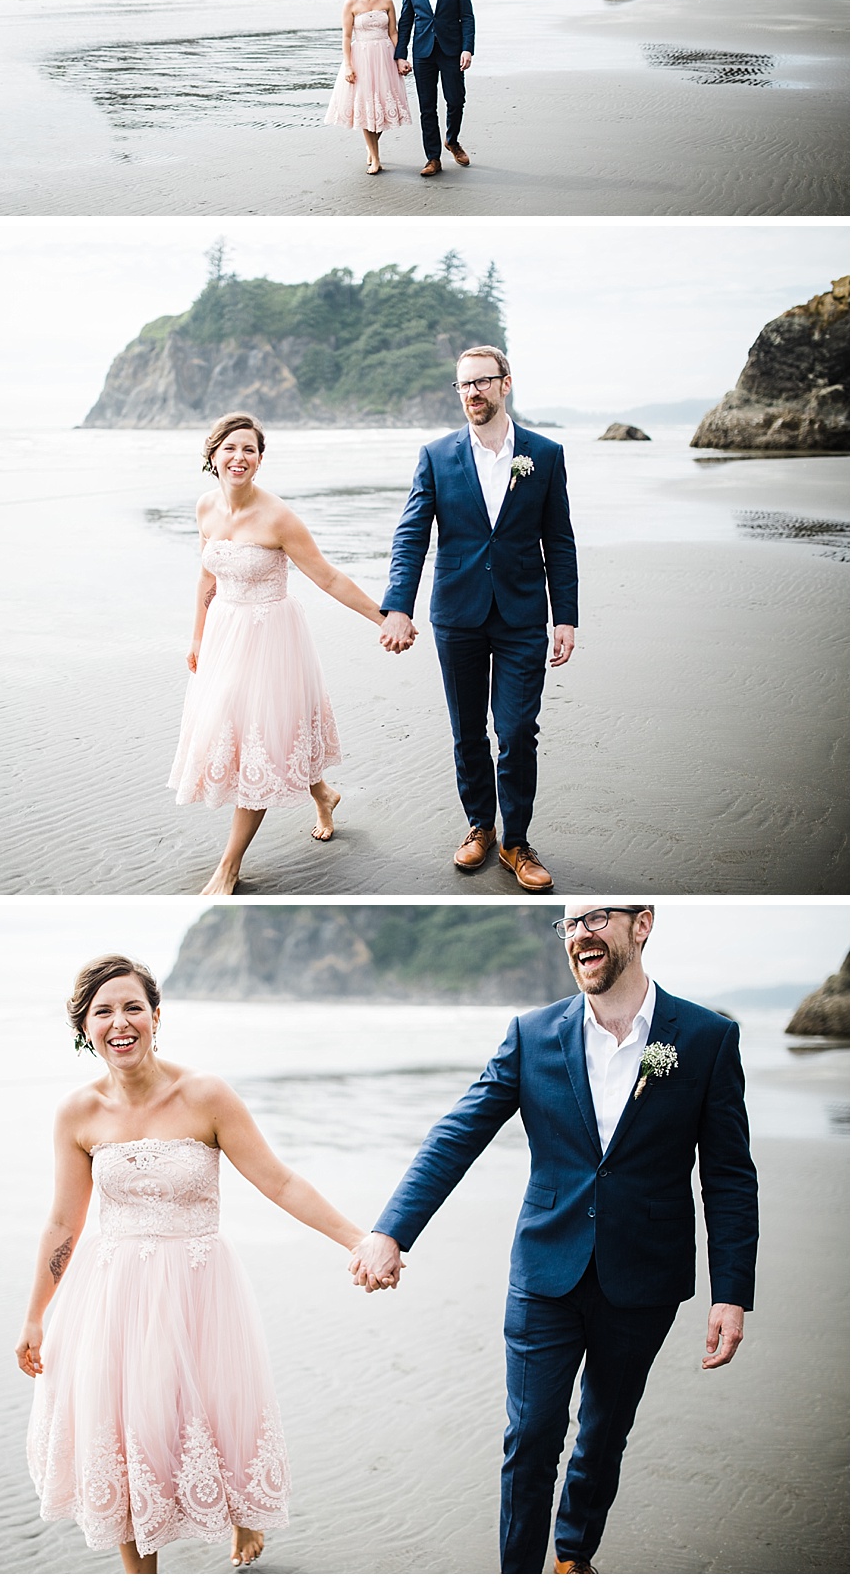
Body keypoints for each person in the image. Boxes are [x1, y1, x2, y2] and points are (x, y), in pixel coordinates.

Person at [349, 906, 759, 1575]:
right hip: (545, 1271)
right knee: (532, 1434)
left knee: (603, 1432)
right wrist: (392, 1230)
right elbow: (459, 1133)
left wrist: (732, 1290)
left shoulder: (707, 1037)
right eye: (567, 925)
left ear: (642, 924)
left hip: (646, 1276)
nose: (578, 935)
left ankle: (573, 1555)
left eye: (595, 918)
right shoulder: (533, 1033)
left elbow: (729, 1173)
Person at [17, 954, 365, 1573]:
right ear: (83, 1028)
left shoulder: (204, 1095)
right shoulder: (77, 1113)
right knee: (126, 1433)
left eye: (132, 1007)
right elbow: (63, 1223)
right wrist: (35, 1317)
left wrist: (357, 1240)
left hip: (199, 1289)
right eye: (104, 1012)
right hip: (112, 1295)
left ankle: (244, 1518)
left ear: (156, 1016)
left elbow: (279, 1183)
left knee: (208, 1418)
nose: (120, 1023)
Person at [378, 344, 577, 892]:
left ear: (505, 384)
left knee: (516, 729)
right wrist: (399, 605)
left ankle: (517, 841)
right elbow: (411, 535)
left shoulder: (544, 454)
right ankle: (479, 827)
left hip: (520, 615)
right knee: (467, 730)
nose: (473, 393)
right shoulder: (437, 455)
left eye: (483, 382)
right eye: (464, 385)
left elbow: (559, 541)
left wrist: (566, 616)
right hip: (457, 614)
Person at [168, 411, 386, 893]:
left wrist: (383, 616)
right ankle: (323, 793)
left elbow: (327, 577)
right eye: (229, 447)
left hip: (271, 639)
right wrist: (198, 637)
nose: (238, 457)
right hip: (225, 634)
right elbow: (207, 575)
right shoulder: (205, 507)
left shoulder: (279, 518)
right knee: (252, 735)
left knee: (261, 745)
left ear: (260, 460)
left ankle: (229, 864)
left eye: (249, 449)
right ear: (213, 455)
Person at [394, 0, 476, 175]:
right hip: (423, 53)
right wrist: (401, 55)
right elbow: (406, 22)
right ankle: (433, 158)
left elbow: (467, 17)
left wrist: (467, 48)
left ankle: (452, 140)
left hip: (451, 51)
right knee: (427, 107)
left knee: (456, 100)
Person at [324, 0, 412, 173]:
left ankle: (370, 147)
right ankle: (375, 158)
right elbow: (346, 37)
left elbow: (393, 32)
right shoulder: (351, 4)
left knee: (382, 106)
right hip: (361, 57)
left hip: (385, 58)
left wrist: (401, 57)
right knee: (366, 107)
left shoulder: (387, 1)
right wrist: (348, 65)